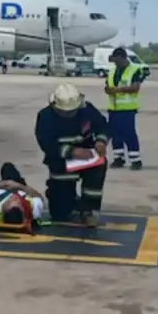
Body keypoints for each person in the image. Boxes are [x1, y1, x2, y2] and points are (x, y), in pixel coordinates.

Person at [34, 83, 110, 227]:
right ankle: (68, 201)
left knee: (99, 168)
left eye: (72, 111)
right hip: (61, 162)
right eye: (64, 112)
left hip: (88, 159)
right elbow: (47, 144)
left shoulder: (87, 110)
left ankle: (89, 210)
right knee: (60, 214)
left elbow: (103, 126)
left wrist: (101, 141)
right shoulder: (45, 116)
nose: (69, 114)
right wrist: (71, 152)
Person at [105, 46, 144, 169]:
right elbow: (107, 86)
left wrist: (118, 90)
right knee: (115, 135)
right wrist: (108, 90)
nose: (115, 63)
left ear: (122, 57)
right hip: (114, 109)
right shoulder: (112, 72)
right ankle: (118, 159)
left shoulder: (135, 70)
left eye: (116, 60)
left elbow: (135, 87)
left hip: (127, 109)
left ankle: (136, 160)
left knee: (129, 134)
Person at [0, 162, 48, 228]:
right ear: (22, 212)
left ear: (3, 211)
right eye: (18, 202)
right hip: (18, 188)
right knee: (8, 167)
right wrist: (20, 186)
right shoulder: (33, 211)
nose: (14, 197)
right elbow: (39, 197)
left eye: (10, 201)